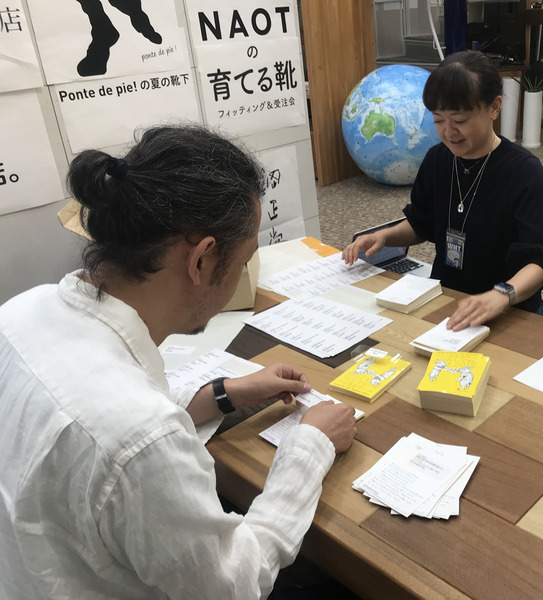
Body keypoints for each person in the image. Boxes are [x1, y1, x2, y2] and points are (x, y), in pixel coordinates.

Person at [0, 125, 357, 598]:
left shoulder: (20, 311)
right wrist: (310, 447)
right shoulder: (144, 439)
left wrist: (224, 393)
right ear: (202, 260)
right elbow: (234, 584)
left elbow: (99, 416)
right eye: (244, 261)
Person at [342, 50, 543, 331]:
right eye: (438, 120)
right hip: (448, 299)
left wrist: (502, 295)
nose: (448, 132)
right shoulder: (437, 160)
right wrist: (384, 236)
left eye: (460, 120)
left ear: (494, 107)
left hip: (509, 309)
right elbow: (422, 223)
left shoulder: (522, 171)